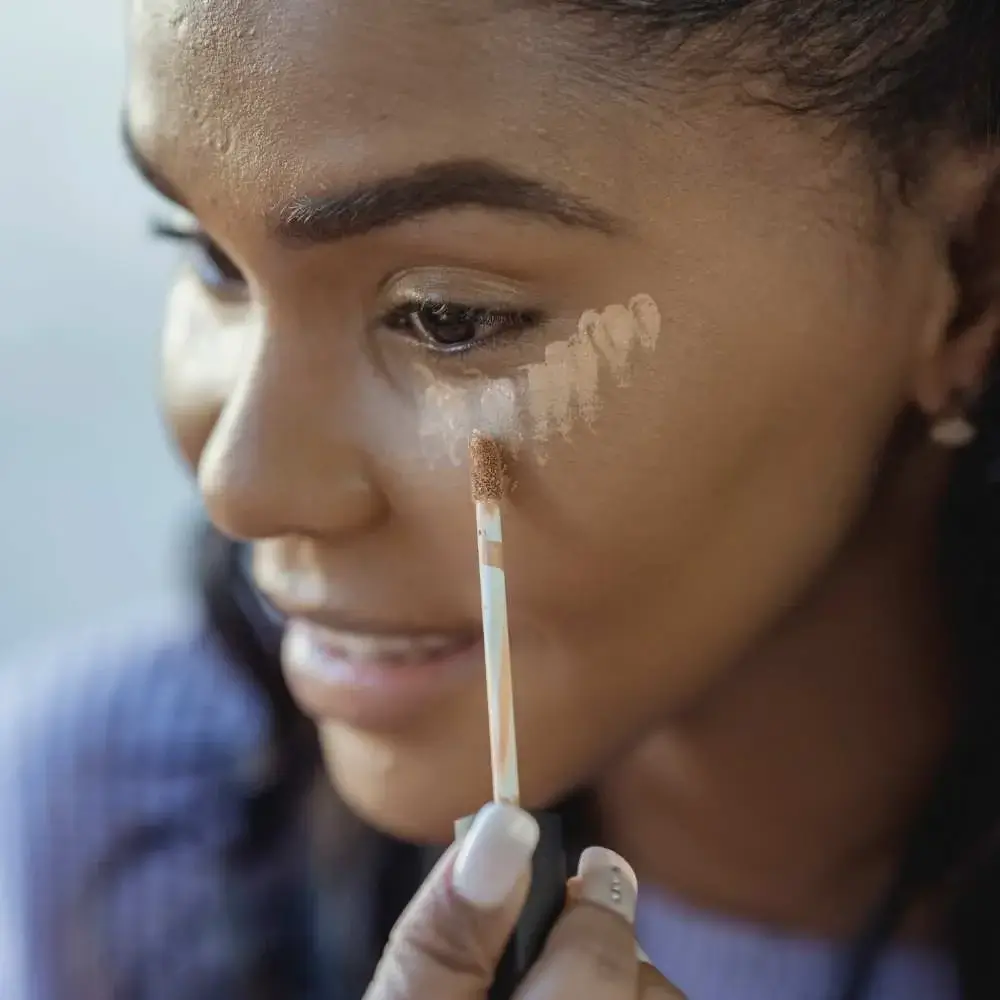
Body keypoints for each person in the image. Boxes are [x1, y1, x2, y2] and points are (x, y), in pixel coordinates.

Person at [4, 0, 1000, 997]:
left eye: (448, 318)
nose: (239, 488)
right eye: (214, 259)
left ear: (967, 272)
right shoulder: (111, 827)